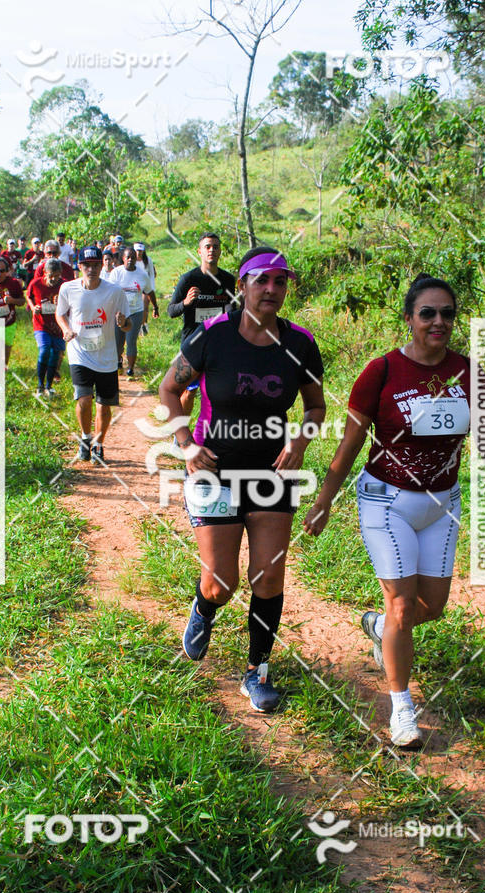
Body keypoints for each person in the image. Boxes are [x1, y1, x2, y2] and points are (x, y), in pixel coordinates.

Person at [304, 273, 475, 750]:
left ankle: (381, 630)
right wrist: (325, 500)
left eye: (447, 313)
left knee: (432, 607)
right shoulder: (381, 371)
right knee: (401, 604)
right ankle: (403, 709)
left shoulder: (468, 371)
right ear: (409, 319)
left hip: (443, 503)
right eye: (428, 313)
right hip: (387, 501)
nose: (438, 321)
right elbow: (351, 442)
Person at [159, 246, 326, 712]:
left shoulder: (299, 344)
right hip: (214, 470)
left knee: (269, 577)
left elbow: (316, 406)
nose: (271, 289)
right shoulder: (212, 337)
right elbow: (170, 390)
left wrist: (299, 441)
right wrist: (186, 444)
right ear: (243, 286)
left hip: (271, 472)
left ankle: (258, 671)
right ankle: (204, 607)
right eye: (262, 280)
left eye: (280, 281)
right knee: (222, 583)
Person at [55, 245, 131, 465]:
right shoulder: (68, 289)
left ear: (102, 265)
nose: (92, 269)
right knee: (84, 398)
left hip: (106, 355)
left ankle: (99, 442)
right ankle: (85, 438)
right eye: (86, 265)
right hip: (79, 352)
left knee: (103, 405)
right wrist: (66, 330)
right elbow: (60, 314)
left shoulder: (114, 291)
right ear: (79, 266)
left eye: (96, 264)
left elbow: (127, 324)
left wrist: (123, 322)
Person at [168, 232, 237, 416]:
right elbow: (171, 311)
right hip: (193, 343)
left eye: (215, 246)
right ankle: (180, 436)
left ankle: (210, 435)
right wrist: (186, 303)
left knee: (217, 394)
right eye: (207, 246)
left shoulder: (228, 280)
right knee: (189, 392)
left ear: (220, 251)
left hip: (218, 345)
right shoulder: (188, 279)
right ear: (199, 251)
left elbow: (232, 311)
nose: (211, 250)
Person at [109, 246, 158, 377]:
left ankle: (130, 368)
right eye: (127, 257)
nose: (130, 260)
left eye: (133, 257)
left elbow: (149, 292)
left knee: (131, 340)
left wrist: (156, 307)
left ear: (137, 259)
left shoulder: (142, 275)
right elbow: (109, 293)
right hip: (118, 313)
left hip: (135, 312)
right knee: (118, 342)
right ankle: (118, 359)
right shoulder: (116, 273)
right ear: (123, 259)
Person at [26, 258, 66, 397]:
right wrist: (33, 307)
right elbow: (29, 296)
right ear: (45, 272)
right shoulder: (36, 283)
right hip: (41, 324)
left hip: (59, 326)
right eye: (51, 276)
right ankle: (39, 385)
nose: (54, 279)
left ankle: (49, 386)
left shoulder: (65, 285)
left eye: (57, 276)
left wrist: (61, 303)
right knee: (44, 351)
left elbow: (72, 303)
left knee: (56, 354)